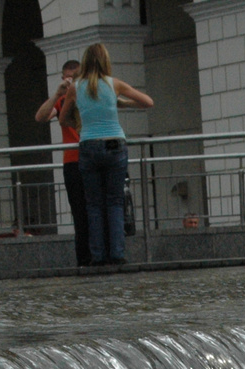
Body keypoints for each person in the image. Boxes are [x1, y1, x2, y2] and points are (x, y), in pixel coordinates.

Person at [75, 43, 153, 267]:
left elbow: (65, 117)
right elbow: (148, 102)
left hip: (88, 144)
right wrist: (121, 102)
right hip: (114, 145)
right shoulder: (115, 84)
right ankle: (117, 253)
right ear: (105, 61)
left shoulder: (75, 86)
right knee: (115, 202)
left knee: (94, 204)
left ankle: (98, 255)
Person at [36, 59, 92, 267]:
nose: (71, 81)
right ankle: (84, 258)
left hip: (90, 156)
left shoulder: (91, 97)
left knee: (94, 209)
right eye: (68, 78)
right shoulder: (61, 100)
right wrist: (58, 94)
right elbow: (41, 117)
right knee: (79, 211)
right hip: (72, 160)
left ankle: (98, 252)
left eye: (75, 77)